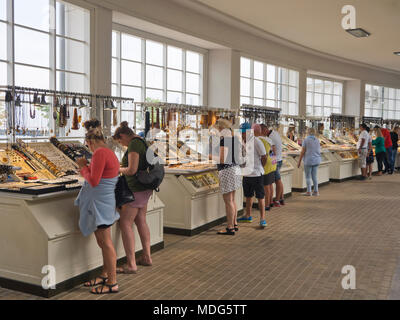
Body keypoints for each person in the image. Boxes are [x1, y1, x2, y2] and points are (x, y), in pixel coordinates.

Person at [75, 119, 120, 294]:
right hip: (104, 201)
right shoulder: (108, 152)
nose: (89, 148)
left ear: (92, 141)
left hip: (100, 203)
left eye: (88, 145)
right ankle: (105, 274)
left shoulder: (100, 153)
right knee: (103, 241)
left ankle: (112, 282)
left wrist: (82, 167)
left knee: (105, 242)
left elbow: (93, 180)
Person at [113, 121, 153, 274]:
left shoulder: (134, 144)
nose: (122, 145)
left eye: (120, 141)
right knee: (141, 220)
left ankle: (131, 264)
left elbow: (131, 169)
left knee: (125, 223)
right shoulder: (141, 141)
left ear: (123, 136)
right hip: (144, 189)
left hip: (135, 189)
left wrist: (117, 168)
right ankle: (146, 257)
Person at [211, 119, 242, 235]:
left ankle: (230, 228)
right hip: (235, 169)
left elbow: (223, 159)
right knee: (232, 199)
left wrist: (209, 156)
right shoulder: (235, 139)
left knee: (228, 201)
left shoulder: (225, 140)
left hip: (227, 171)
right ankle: (234, 223)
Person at [237, 122, 268, 228]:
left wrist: (260, 167)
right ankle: (248, 215)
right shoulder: (242, 143)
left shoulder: (257, 141)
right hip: (246, 174)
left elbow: (264, 157)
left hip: (257, 174)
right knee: (248, 196)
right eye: (241, 133)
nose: (242, 135)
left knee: (260, 197)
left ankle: (262, 218)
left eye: (243, 133)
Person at [297, 127, 321, 196]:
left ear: (308, 132)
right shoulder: (317, 140)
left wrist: (299, 161)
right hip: (316, 160)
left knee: (308, 176)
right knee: (314, 176)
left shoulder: (306, 140)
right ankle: (316, 191)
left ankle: (309, 191)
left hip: (308, 160)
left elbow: (303, 151)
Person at [259, 124, 277, 211]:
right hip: (273, 162)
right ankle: (270, 202)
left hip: (266, 164)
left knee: (266, 186)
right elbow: (274, 152)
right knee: (270, 184)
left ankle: (266, 205)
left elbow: (263, 154)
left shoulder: (260, 140)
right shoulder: (270, 139)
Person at [267, 125, 285, 206]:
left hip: (276, 161)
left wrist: (271, 162)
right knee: (278, 180)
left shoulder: (271, 137)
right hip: (279, 159)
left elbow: (273, 152)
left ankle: (277, 200)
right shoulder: (275, 133)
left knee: (277, 181)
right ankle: (281, 199)